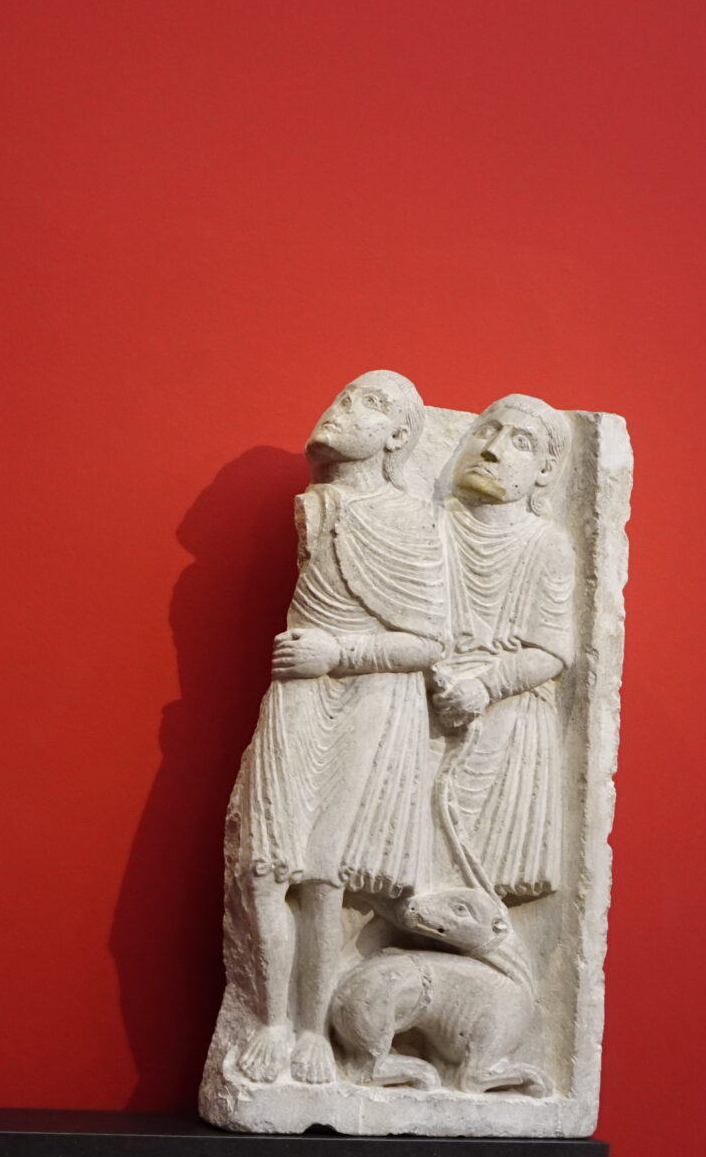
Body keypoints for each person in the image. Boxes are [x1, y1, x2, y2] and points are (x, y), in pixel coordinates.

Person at [222, 370, 450, 1085]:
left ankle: (311, 1031)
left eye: (371, 403)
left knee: (323, 877)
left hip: (365, 697)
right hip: (296, 693)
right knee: (264, 868)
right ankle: (271, 1021)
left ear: (399, 435)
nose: (344, 407)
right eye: (346, 395)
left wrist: (339, 654)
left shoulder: (411, 519)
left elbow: (428, 640)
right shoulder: (316, 505)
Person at [429, 394, 577, 905]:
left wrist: (484, 687)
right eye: (486, 431)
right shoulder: (428, 525)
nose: (492, 449)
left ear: (545, 473)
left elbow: (552, 651)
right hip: (426, 702)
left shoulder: (546, 544)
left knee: (473, 879)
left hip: (507, 719)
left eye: (521, 442)